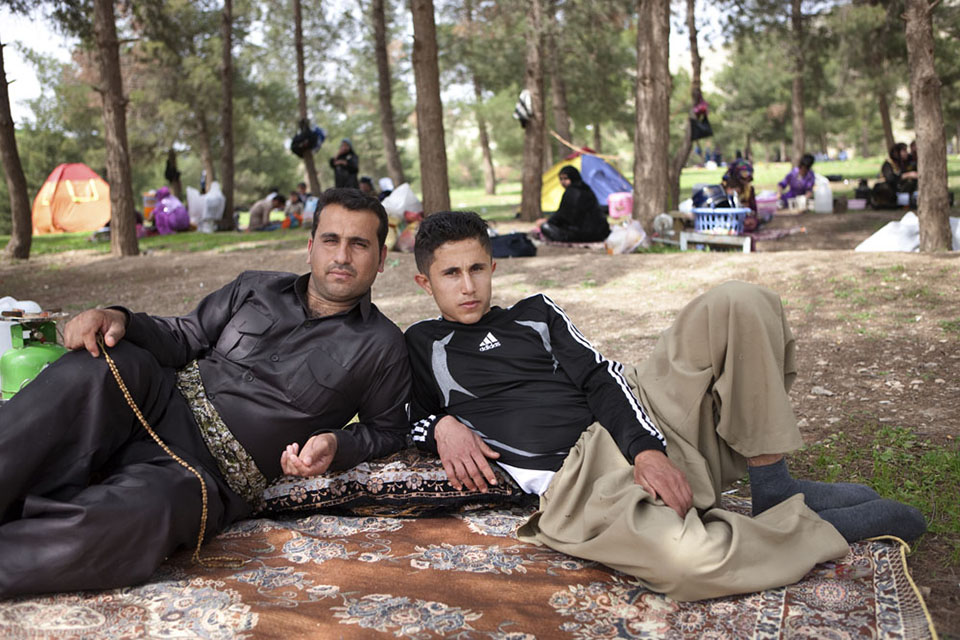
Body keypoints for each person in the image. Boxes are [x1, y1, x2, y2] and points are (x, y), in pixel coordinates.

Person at [405, 211, 926, 602]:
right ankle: (813, 530)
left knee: (738, 301)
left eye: (477, 268)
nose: (469, 286)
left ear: (494, 266)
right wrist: (441, 426)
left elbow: (601, 375)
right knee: (688, 567)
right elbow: (400, 417)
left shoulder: (536, 313)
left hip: (641, 420)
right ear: (425, 282)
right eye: (451, 274)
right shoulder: (421, 343)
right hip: (578, 485)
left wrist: (645, 450)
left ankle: (774, 487)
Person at [0, 188, 411, 598]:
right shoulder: (256, 287)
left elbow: (388, 430)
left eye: (359, 244)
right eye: (331, 240)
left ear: (381, 258)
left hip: (204, 474)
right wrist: (117, 317)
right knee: (95, 366)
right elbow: (184, 335)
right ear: (310, 248)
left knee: (141, 517)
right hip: (156, 396)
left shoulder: (383, 346)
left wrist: (335, 442)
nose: (342, 256)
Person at [538, 166, 610, 243]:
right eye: (561, 179)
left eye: (566, 179)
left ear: (573, 177)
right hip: (600, 233)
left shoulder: (572, 192)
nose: (563, 182)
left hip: (583, 234)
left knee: (545, 227)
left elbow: (562, 215)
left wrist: (548, 221)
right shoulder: (586, 188)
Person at [872, 142, 919, 209]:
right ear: (897, 153)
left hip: (898, 189)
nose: (906, 153)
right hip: (885, 190)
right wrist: (906, 175)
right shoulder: (888, 164)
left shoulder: (905, 162)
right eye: (904, 151)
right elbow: (890, 179)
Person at [721, 158, 762, 231]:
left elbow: (753, 209)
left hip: (745, 217)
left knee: (751, 223)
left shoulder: (749, 189)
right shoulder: (724, 187)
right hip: (727, 218)